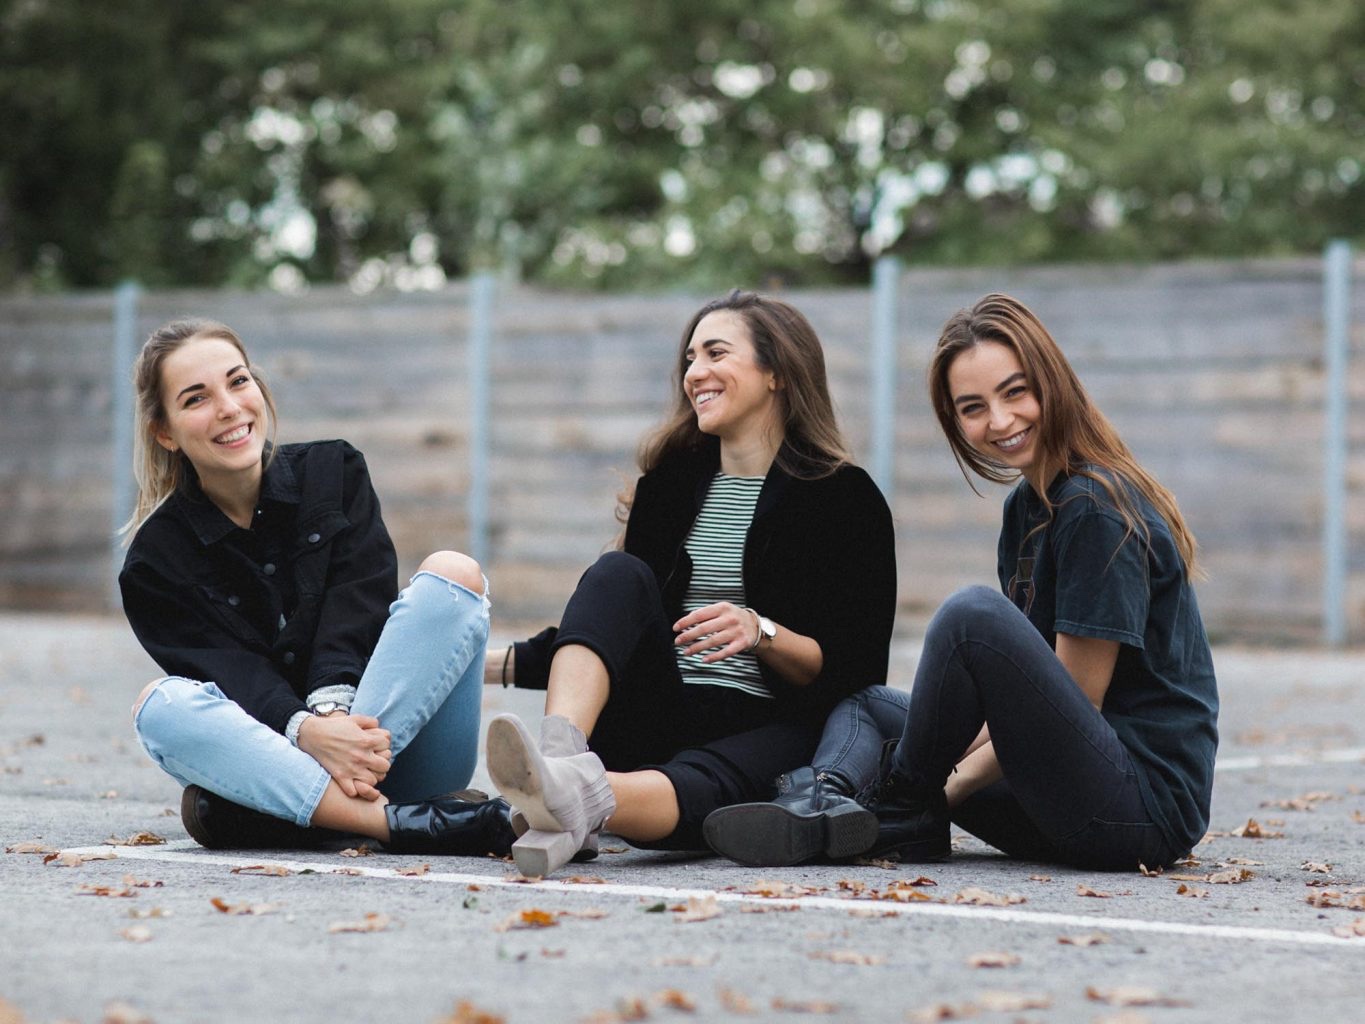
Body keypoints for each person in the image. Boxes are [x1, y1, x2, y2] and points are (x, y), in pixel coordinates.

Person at [705, 293, 1218, 872]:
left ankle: (889, 810)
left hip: (1138, 812)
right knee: (867, 703)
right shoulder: (1028, 508)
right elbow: (1024, 707)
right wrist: (928, 765)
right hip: (1067, 793)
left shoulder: (1095, 508)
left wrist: (933, 792)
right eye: (973, 407)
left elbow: (1075, 705)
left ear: (1053, 384)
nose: (999, 421)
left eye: (1015, 392)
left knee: (972, 615)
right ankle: (821, 802)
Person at [484, 290, 897, 876]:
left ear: (777, 371)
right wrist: (482, 660)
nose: (694, 373)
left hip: (769, 724)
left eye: (715, 354)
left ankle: (572, 800)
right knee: (617, 572)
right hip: (657, 707)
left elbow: (857, 675)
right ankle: (559, 760)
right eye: (689, 359)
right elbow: (609, 627)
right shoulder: (670, 487)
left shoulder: (846, 499)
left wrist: (761, 631)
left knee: (725, 782)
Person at [120, 319, 514, 856]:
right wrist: (302, 730)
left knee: (454, 575)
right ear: (164, 431)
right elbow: (233, 675)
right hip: (288, 751)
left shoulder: (335, 471)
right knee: (159, 705)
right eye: (196, 398)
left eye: (238, 382)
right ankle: (404, 823)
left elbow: (360, 605)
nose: (230, 407)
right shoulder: (154, 562)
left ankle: (285, 816)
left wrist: (330, 720)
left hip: (390, 744)